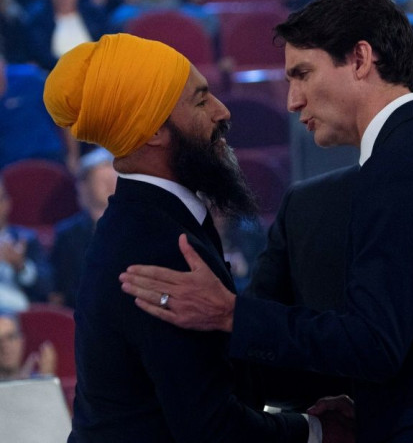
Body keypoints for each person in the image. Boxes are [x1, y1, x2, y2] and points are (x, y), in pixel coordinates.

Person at [119, 0, 413, 442]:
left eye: (303, 74)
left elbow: (375, 344)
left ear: (361, 59)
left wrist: (232, 313)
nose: (292, 100)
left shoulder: (403, 165)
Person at [43, 33, 350, 442]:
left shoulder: (153, 222)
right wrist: (318, 432)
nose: (223, 111)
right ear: (153, 130)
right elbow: (210, 426)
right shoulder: (157, 249)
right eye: (201, 100)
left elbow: (218, 371)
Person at [49, 148, 117, 308]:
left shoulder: (137, 225)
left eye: (113, 178)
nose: (110, 185)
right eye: (102, 180)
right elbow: (64, 287)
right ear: (84, 186)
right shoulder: (67, 235)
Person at [0, 177, 53, 312]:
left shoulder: (27, 239)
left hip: (21, 318)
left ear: (7, 203)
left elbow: (47, 287)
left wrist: (20, 265)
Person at [0, 311, 56, 381]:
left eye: (11, 337)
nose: (5, 346)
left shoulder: (39, 379)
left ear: (21, 341)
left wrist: (46, 378)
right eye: (0, 340)